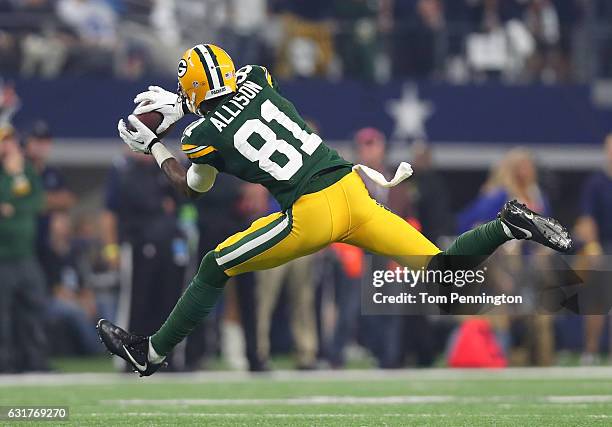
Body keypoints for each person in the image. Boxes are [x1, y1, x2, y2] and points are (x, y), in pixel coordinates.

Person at [97, 43, 572, 376]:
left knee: (214, 266)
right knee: (442, 274)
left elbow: (192, 188)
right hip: (352, 190)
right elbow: (237, 93)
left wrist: (156, 147)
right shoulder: (257, 79)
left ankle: (152, 353)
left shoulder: (199, 138)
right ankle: (507, 224)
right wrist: (184, 102)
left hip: (311, 210)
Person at [0, 126, 47, 372]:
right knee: (3, 314)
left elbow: (36, 203)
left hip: (25, 254)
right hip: (3, 256)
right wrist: (11, 182)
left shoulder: (25, 171)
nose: (8, 147)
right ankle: (5, 363)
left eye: (9, 141)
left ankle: (36, 362)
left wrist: (16, 177)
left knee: (34, 308)